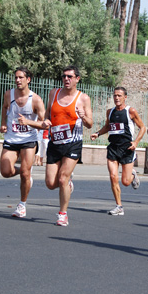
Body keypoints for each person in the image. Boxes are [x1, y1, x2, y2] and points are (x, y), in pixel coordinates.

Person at [42, 66, 93, 226]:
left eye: (70, 76)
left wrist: (83, 117)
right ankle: (68, 184)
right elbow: (47, 113)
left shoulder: (83, 98)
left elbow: (90, 124)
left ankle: (62, 214)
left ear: (77, 79)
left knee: (62, 178)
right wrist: (46, 121)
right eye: (64, 76)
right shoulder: (54, 93)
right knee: (51, 184)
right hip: (55, 142)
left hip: (73, 144)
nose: (66, 79)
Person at [0, 66, 46, 218]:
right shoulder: (9, 94)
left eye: (21, 77)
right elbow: (5, 108)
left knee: (25, 174)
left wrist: (28, 122)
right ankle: (23, 171)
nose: (17, 80)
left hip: (29, 140)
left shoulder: (36, 100)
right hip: (11, 139)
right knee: (5, 172)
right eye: (16, 77)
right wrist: (3, 123)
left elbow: (43, 124)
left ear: (28, 80)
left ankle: (22, 205)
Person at [91, 87, 145, 215]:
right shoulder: (110, 112)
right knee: (113, 176)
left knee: (125, 182)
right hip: (113, 148)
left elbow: (142, 127)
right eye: (115, 95)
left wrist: (136, 142)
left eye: (119, 95)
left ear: (125, 97)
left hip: (127, 148)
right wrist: (97, 134)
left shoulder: (130, 111)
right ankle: (119, 206)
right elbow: (107, 126)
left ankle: (132, 174)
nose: (117, 98)